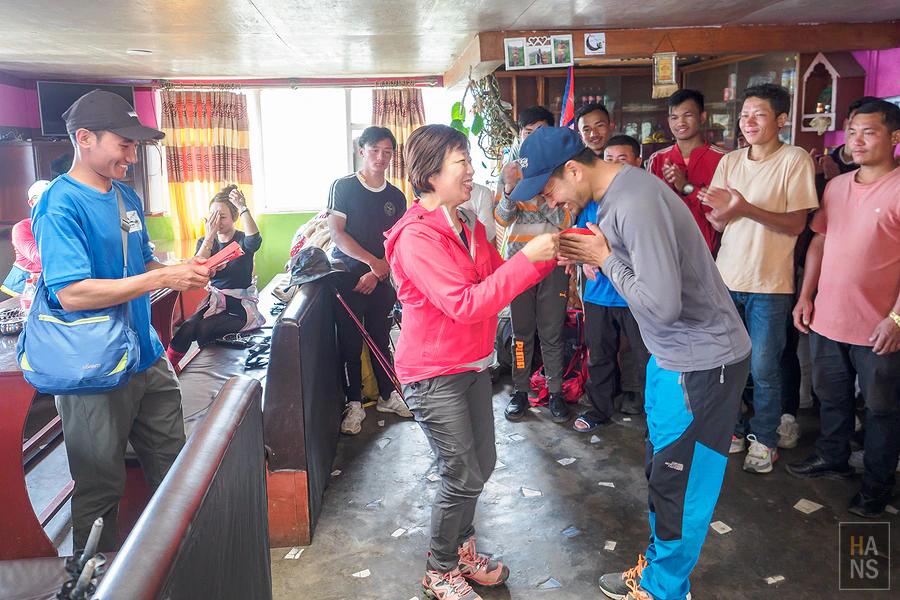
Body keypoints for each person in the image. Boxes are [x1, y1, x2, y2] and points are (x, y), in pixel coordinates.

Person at [515, 126, 751, 600]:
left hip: (702, 360)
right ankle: (658, 573)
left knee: (681, 487)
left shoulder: (634, 201)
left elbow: (661, 304)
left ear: (574, 170)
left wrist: (604, 258)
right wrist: (591, 248)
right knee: (664, 473)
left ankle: (664, 589)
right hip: (674, 356)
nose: (551, 199)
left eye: (550, 188)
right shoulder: (613, 194)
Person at [31, 90, 215, 553]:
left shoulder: (126, 196)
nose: (132, 156)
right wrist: (163, 277)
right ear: (85, 138)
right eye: (124, 145)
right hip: (94, 371)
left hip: (146, 359)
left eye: (136, 147)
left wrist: (178, 273)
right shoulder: (59, 206)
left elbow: (144, 264)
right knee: (99, 490)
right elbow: (72, 293)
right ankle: (91, 582)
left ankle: (181, 567)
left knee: (177, 470)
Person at [384, 124, 559, 600]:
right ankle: (439, 570)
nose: (473, 170)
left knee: (482, 462)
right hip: (432, 372)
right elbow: (465, 303)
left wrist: (547, 254)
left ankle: (462, 551)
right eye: (462, 161)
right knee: (461, 473)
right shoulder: (416, 238)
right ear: (430, 173)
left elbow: (496, 279)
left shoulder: (467, 224)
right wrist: (530, 260)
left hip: (472, 364)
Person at [787, 99, 900, 518]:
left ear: (894, 137)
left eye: (868, 132)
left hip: (878, 326)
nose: (857, 140)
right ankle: (832, 457)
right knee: (830, 398)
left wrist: (897, 319)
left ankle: (876, 486)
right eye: (852, 131)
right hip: (828, 318)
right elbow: (819, 240)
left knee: (882, 410)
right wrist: (806, 295)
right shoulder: (836, 186)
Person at [699, 84, 818, 474]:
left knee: (764, 369)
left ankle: (764, 439)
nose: (748, 122)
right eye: (744, 114)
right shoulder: (730, 161)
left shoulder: (794, 159)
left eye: (759, 114)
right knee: (724, 364)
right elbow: (718, 220)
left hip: (770, 285)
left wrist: (745, 207)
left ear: (781, 120)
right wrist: (720, 212)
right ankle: (731, 430)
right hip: (726, 279)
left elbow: (797, 224)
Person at [327, 126, 412, 435]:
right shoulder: (344, 186)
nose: (381, 157)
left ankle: (389, 395)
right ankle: (353, 403)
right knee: (349, 344)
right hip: (347, 278)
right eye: (375, 150)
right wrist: (371, 264)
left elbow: (400, 241)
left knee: (380, 338)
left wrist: (379, 270)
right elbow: (338, 233)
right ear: (362, 151)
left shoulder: (396, 196)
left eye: (387, 151)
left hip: (382, 279)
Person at [494, 105, 573, 422]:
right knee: (521, 333)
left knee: (552, 334)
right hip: (518, 264)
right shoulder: (510, 168)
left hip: (553, 263)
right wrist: (511, 188)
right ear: (520, 134)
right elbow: (502, 217)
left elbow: (565, 219)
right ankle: (520, 391)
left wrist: (538, 190)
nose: (534, 137)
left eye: (542, 131)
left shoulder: (563, 171)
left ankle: (555, 393)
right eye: (528, 132)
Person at [574, 136, 650, 430]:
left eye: (623, 159)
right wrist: (583, 259)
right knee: (600, 356)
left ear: (637, 164)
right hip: (598, 295)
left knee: (647, 359)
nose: (614, 165)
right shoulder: (592, 200)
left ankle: (654, 417)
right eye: (609, 158)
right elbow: (580, 238)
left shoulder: (642, 201)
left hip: (635, 295)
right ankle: (598, 410)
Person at [164, 185, 263, 367]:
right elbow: (199, 265)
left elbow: (255, 240)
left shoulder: (242, 239)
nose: (217, 222)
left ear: (234, 218)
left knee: (204, 328)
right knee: (186, 328)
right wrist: (209, 235)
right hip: (214, 302)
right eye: (213, 216)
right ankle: (169, 373)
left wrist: (243, 207)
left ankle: (209, 368)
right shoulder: (206, 242)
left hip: (239, 306)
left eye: (222, 217)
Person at [645, 89, 728, 257]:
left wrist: (685, 187)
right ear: (668, 121)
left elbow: (722, 210)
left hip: (710, 256)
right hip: (667, 253)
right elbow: (650, 210)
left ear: (702, 117)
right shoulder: (658, 159)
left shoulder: (723, 159)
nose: (680, 122)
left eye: (687, 115)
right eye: (674, 117)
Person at [2, 180, 50, 296]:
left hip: (48, 285)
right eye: (42, 197)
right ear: (32, 203)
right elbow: (42, 259)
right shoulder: (22, 228)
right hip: (21, 291)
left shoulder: (65, 225)